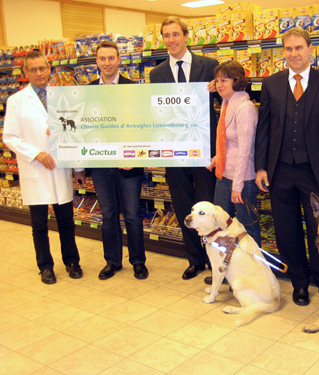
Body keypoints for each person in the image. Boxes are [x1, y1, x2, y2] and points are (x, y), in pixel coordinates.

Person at [255, 27, 319, 306]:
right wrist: (261, 167)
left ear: (310, 49)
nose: (294, 54)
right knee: (286, 230)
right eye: (288, 49)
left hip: (315, 172)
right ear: (283, 52)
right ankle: (299, 283)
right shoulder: (271, 84)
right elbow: (264, 129)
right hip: (280, 171)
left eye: (299, 48)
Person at [3, 51, 84, 284]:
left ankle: (72, 261)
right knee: (39, 224)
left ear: (50, 69)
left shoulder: (63, 98)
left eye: (43, 68)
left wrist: (78, 168)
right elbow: (10, 137)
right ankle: (45, 266)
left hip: (61, 169)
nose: (39, 73)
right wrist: (36, 154)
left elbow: (74, 134)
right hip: (35, 170)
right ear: (25, 72)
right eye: (34, 69)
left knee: (66, 221)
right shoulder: (17, 101)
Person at [150, 17, 219, 280]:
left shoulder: (210, 66)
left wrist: (218, 88)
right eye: (166, 35)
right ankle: (195, 259)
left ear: (186, 36)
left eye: (175, 34)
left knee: (208, 206)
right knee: (183, 206)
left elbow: (231, 90)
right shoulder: (157, 74)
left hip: (204, 150)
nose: (171, 40)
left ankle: (214, 260)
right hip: (174, 150)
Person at [89, 41, 148, 280]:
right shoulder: (88, 91)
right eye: (102, 58)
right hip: (101, 164)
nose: (107, 63)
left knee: (133, 214)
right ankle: (112, 261)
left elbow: (144, 126)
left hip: (128, 164)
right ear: (97, 62)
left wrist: (134, 155)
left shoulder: (134, 89)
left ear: (119, 60)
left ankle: (138, 261)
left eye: (111, 58)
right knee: (109, 214)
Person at [209, 61, 260, 244]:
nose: (219, 84)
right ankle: (226, 269)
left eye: (224, 80)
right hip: (224, 174)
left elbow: (245, 150)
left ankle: (255, 268)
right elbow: (228, 142)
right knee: (220, 223)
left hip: (242, 179)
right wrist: (217, 158)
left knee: (248, 227)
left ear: (236, 81)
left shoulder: (244, 108)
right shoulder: (227, 103)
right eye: (216, 80)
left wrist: (237, 186)